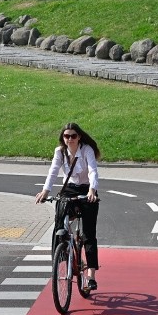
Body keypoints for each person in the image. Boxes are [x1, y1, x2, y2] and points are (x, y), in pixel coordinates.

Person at [35, 122, 101, 290]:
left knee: (88, 234)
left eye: (73, 136)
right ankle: (61, 256)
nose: (69, 139)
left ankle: (91, 275)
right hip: (69, 189)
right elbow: (53, 171)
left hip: (87, 190)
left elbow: (93, 171)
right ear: (62, 138)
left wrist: (92, 190)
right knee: (59, 222)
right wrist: (45, 191)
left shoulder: (86, 150)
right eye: (66, 136)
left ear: (79, 136)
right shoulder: (60, 152)